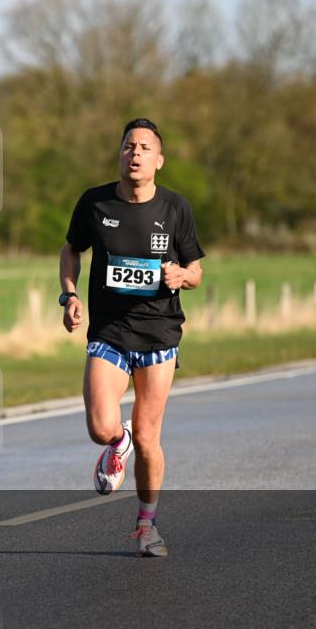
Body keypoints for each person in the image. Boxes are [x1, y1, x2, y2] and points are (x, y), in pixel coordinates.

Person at [57, 118, 205, 557]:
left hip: (159, 332)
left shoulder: (176, 208)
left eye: (144, 147)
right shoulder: (95, 202)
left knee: (147, 437)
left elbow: (196, 271)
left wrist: (181, 274)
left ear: (158, 160)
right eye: (128, 146)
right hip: (110, 331)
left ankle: (147, 526)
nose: (135, 153)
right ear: (119, 154)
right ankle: (114, 443)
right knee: (102, 427)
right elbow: (71, 249)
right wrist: (68, 296)